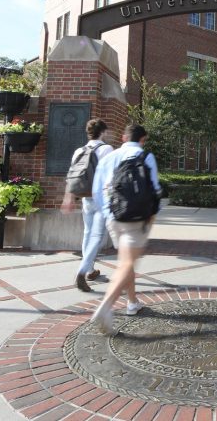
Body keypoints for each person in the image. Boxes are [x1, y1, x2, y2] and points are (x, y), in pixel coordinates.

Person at [90, 124, 162, 335]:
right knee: (127, 263)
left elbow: (97, 191)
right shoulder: (145, 156)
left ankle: (132, 303)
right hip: (137, 219)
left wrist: (108, 211)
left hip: (114, 216)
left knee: (125, 263)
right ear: (143, 139)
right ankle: (105, 307)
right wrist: (152, 213)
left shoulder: (110, 157)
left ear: (123, 137)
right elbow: (155, 188)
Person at [61, 118, 114, 292]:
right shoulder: (106, 149)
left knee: (88, 233)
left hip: (85, 197)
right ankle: (82, 272)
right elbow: (110, 176)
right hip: (100, 198)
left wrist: (68, 198)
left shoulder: (79, 151)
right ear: (103, 132)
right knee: (96, 236)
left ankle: (90, 269)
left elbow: (71, 175)